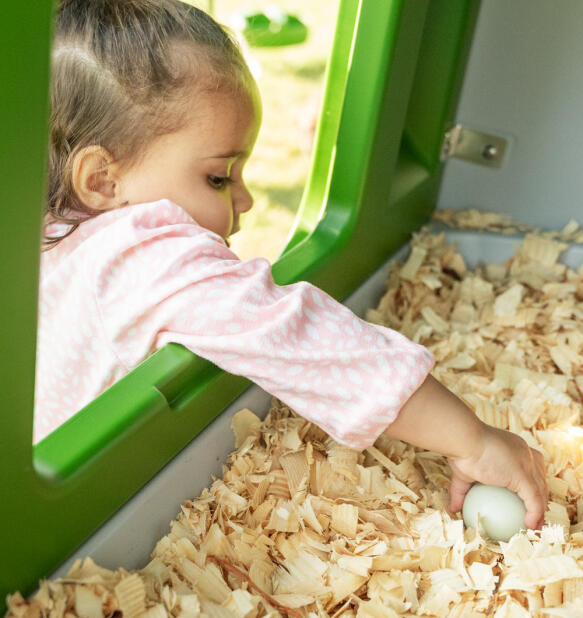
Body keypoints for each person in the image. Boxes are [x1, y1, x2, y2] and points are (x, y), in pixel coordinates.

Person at [37, 0, 547, 530]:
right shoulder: (140, 253)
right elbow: (298, 334)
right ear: (99, 180)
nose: (248, 200)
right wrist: (471, 438)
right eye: (218, 177)